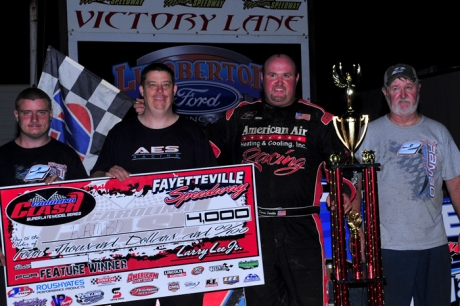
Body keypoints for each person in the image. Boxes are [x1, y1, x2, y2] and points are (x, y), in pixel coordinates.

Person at [134, 54, 358, 305]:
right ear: (262, 79)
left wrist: (345, 192)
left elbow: (345, 167)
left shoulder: (320, 119)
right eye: (273, 75)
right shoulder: (238, 117)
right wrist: (155, 119)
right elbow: (195, 148)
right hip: (253, 229)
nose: (279, 82)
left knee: (310, 300)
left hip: (302, 228)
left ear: (296, 79)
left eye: (286, 76)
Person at [90, 62, 217, 306]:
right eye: (152, 85)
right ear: (141, 90)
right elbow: (95, 178)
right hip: (131, 250)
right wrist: (105, 175)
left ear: (175, 89)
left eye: (165, 85)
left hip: (185, 248)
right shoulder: (121, 132)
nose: (159, 91)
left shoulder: (193, 132)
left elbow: (213, 186)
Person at [355, 63, 460, 306]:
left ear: (418, 89)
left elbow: (455, 185)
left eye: (409, 87)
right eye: (395, 88)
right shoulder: (369, 133)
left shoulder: (438, 132)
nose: (402, 95)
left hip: (434, 247)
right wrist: (357, 234)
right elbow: (355, 188)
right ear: (385, 92)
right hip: (387, 248)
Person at [0, 86, 89, 304]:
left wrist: (67, 191)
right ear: (16, 115)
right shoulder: (1, 157)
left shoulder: (66, 154)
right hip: (12, 258)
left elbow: (89, 202)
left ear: (50, 115)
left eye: (40, 112)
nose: (34, 119)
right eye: (26, 113)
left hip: (61, 256)